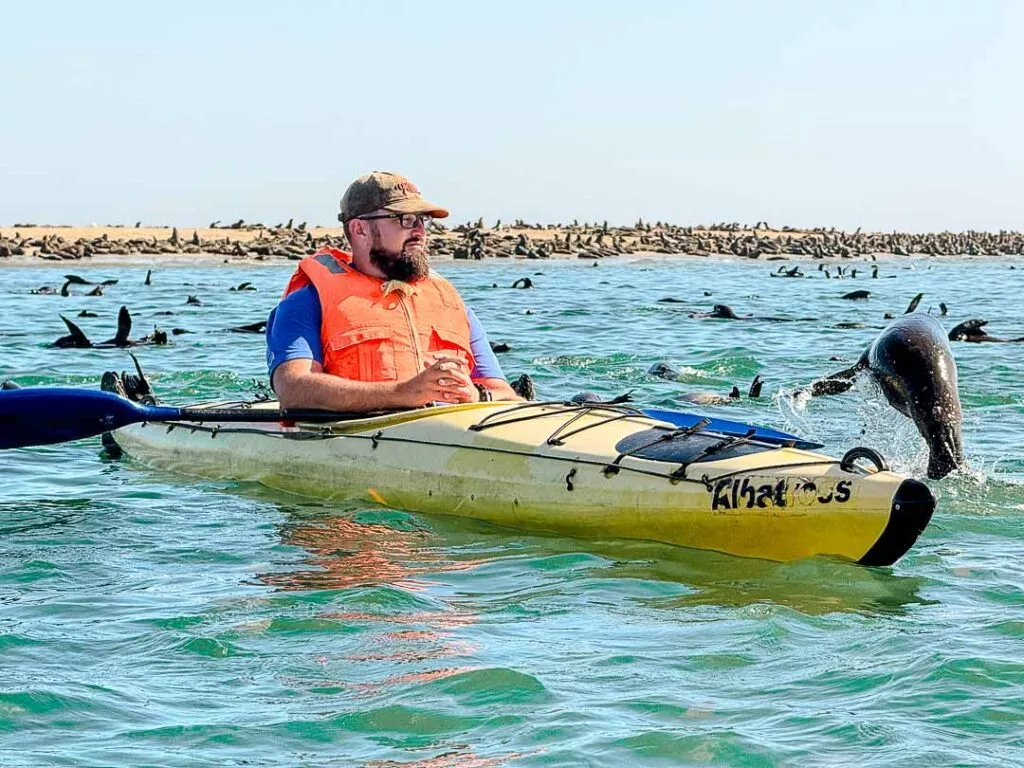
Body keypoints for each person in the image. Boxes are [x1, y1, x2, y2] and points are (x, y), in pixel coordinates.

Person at [266, 172, 521, 412]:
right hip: (364, 435)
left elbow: (505, 394)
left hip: (459, 432)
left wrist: (477, 395)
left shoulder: (453, 306)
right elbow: (293, 388)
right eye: (405, 219)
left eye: (422, 220)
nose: (419, 231)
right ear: (360, 229)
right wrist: (401, 393)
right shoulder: (307, 302)